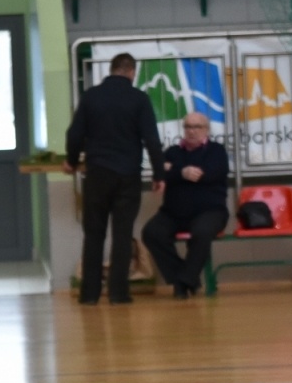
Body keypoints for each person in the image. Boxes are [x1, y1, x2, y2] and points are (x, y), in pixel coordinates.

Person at [64, 53, 164, 305]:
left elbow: (75, 133)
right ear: (132, 71)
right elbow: (151, 139)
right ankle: (119, 293)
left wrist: (72, 161)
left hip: (97, 173)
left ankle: (89, 294)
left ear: (111, 70)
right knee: (122, 233)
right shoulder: (139, 99)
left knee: (94, 233)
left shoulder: (91, 96)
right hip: (128, 175)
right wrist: (159, 174)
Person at [140, 112, 230, 299]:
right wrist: (182, 172)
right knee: (151, 232)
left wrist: (175, 170)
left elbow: (214, 173)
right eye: (188, 127)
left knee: (202, 232)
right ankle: (185, 278)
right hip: (173, 213)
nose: (192, 131)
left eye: (197, 127)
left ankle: (183, 283)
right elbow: (160, 176)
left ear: (206, 130)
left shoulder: (216, 150)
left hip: (210, 211)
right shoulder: (172, 152)